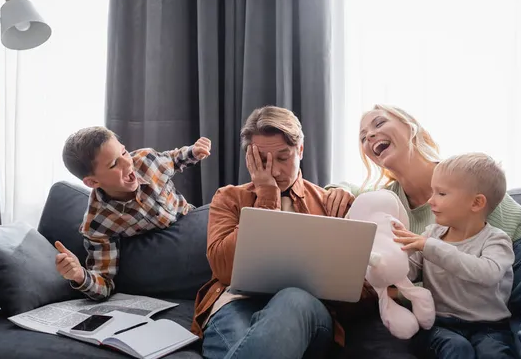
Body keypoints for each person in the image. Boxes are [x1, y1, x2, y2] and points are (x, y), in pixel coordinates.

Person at [325, 104, 521, 358]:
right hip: (476, 301)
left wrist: (435, 255)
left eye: (379, 123)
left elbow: (504, 225)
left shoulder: (460, 173)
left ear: (411, 127)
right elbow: (350, 195)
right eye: (362, 137)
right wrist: (338, 188)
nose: (370, 136)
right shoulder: (387, 202)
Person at [192, 106, 376, 359]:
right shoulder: (229, 198)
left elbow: (363, 293)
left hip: (303, 310)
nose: (275, 171)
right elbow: (224, 270)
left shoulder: (329, 202)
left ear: (300, 150)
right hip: (237, 303)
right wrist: (267, 196)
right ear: (250, 158)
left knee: (292, 298)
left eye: (283, 157)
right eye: (263, 160)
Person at [54, 126, 211, 300]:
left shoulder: (146, 161)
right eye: (114, 164)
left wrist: (193, 152)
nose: (128, 163)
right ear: (92, 182)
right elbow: (104, 285)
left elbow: (173, 159)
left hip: (193, 221)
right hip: (165, 252)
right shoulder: (98, 224)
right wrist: (79, 276)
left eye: (124, 152)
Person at [393, 153, 516, 358]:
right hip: (439, 324)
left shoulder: (497, 240)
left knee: (494, 354)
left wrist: (430, 247)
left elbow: (488, 274)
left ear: (476, 203)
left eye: (441, 193)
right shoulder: (431, 235)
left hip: (489, 327)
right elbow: (409, 272)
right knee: (456, 349)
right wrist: (396, 251)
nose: (431, 201)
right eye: (433, 192)